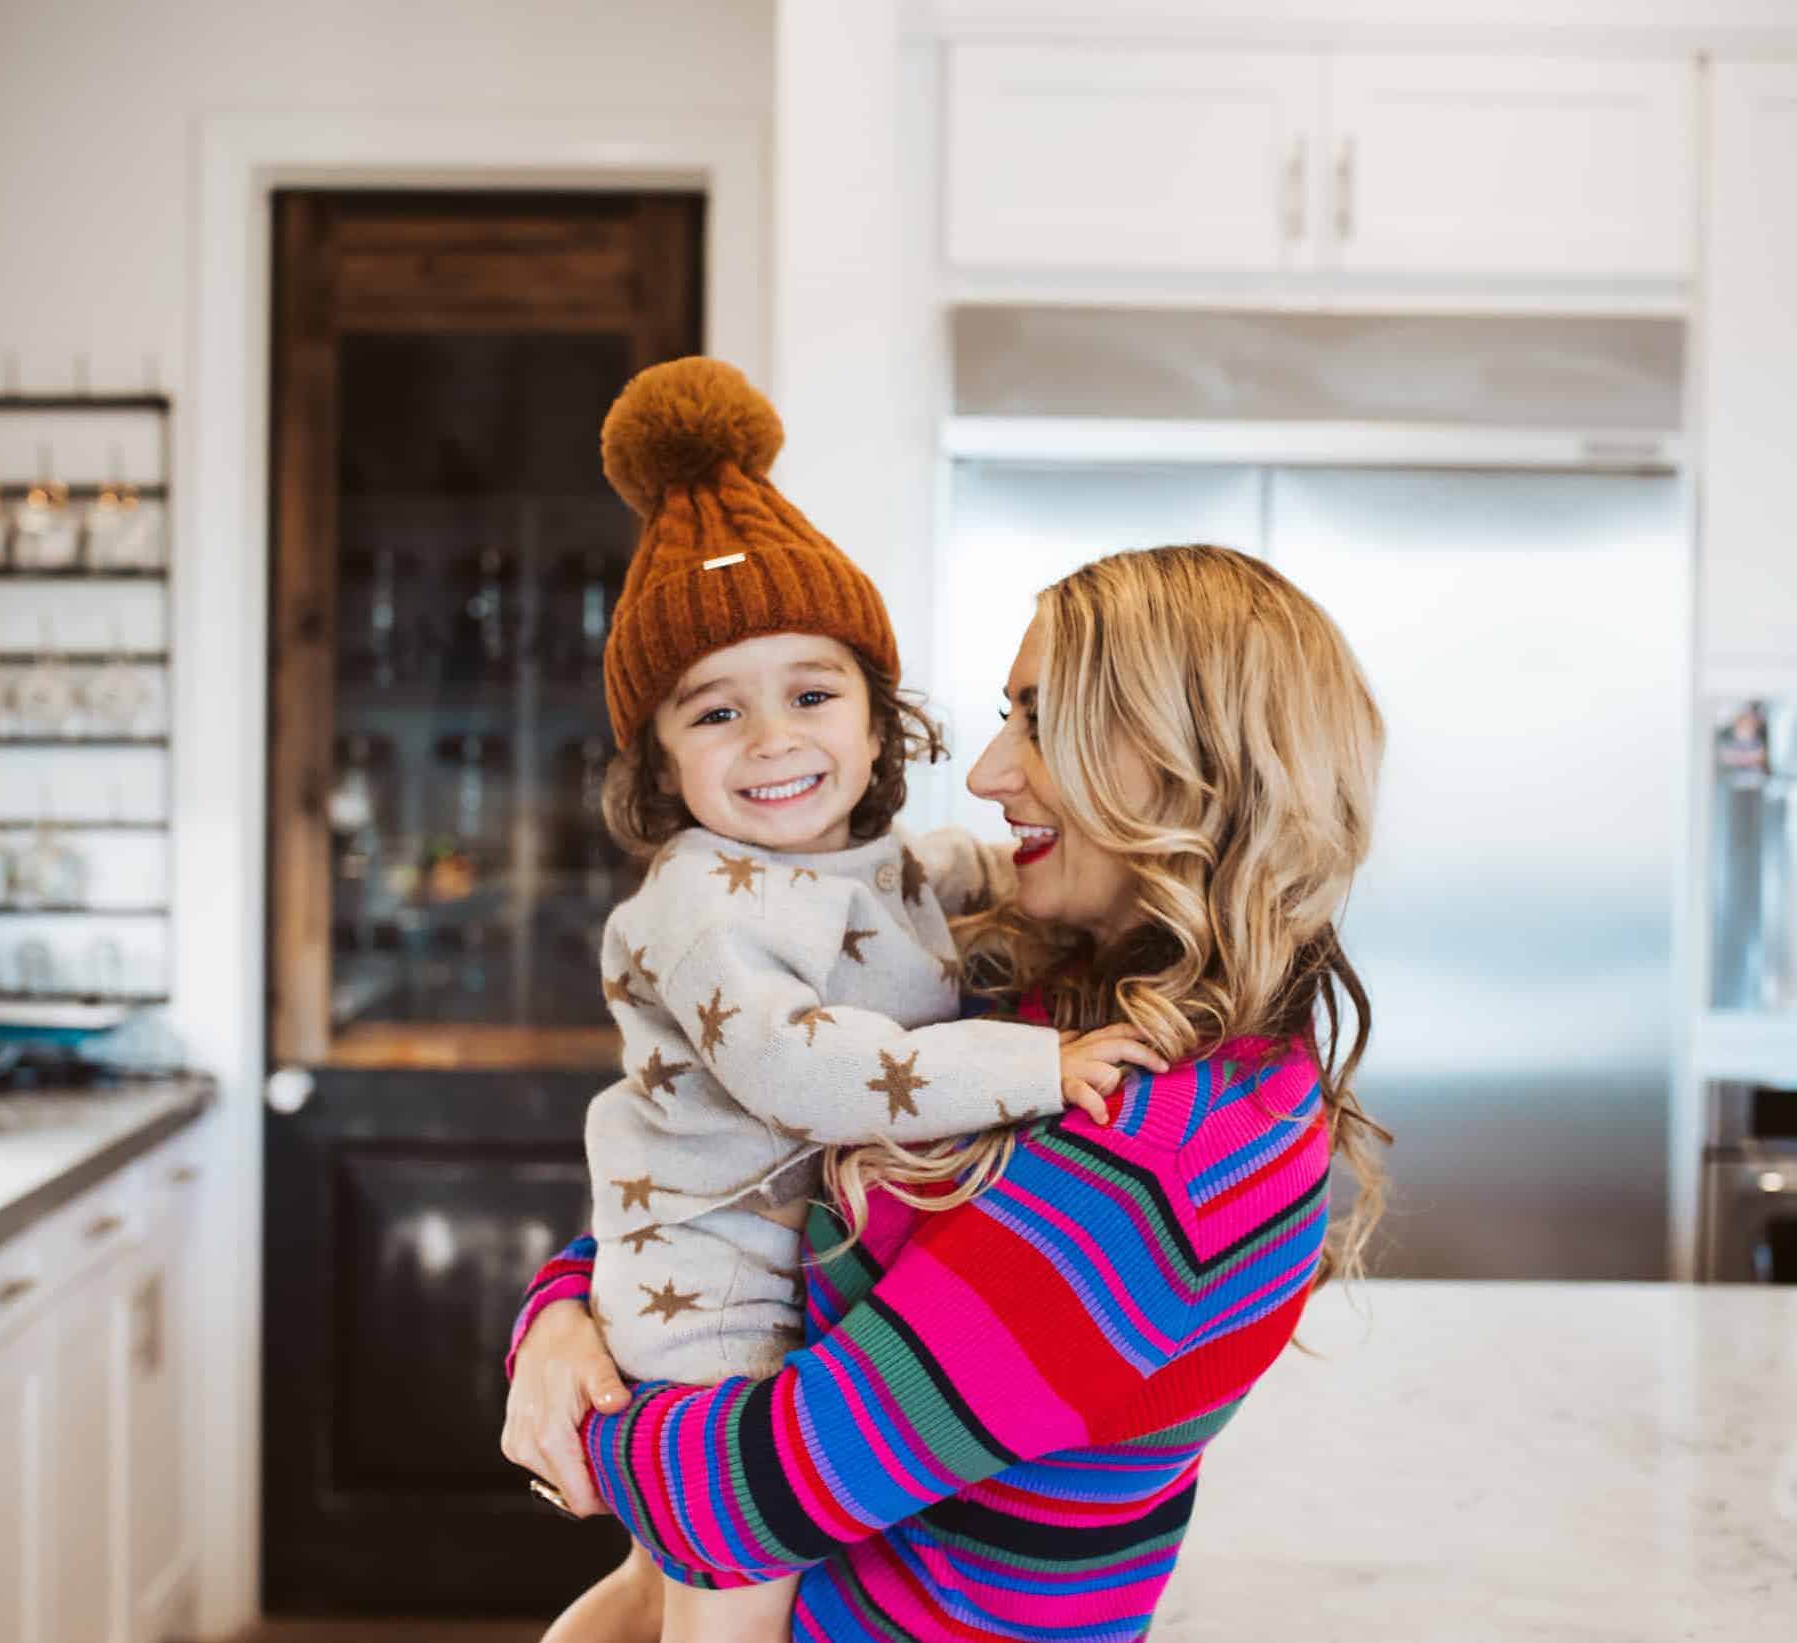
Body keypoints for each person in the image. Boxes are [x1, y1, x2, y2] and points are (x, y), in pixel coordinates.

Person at [506, 542, 1390, 1642]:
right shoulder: (1046, 994)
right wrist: (558, 1316)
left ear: (1179, 756)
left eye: (1036, 720)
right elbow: (735, 1153)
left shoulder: (1165, 1151)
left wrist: (573, 1413)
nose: (983, 774)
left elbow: (752, 1494)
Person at [543, 357, 1165, 1643]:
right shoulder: (703, 899)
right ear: (659, 761)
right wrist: (1040, 1069)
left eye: (811, 694)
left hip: (774, 1264)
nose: (773, 739)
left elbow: (949, 881)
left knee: (651, 1589)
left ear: (880, 724)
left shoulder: (860, 862)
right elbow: (802, 1066)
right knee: (731, 1604)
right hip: (712, 1289)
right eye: (715, 711)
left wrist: (1070, 861)